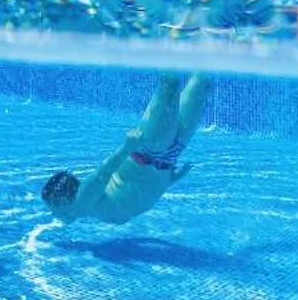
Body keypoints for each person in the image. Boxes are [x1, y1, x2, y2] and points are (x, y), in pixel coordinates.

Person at [41, 74, 208, 226]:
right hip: (168, 158)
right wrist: (171, 179)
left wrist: (125, 148)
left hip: (148, 150)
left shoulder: (83, 201)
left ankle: (166, 43)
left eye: (52, 209)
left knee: (170, 83)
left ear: (61, 201)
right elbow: (137, 195)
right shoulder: (97, 210)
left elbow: (103, 172)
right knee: (202, 80)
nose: (54, 215)